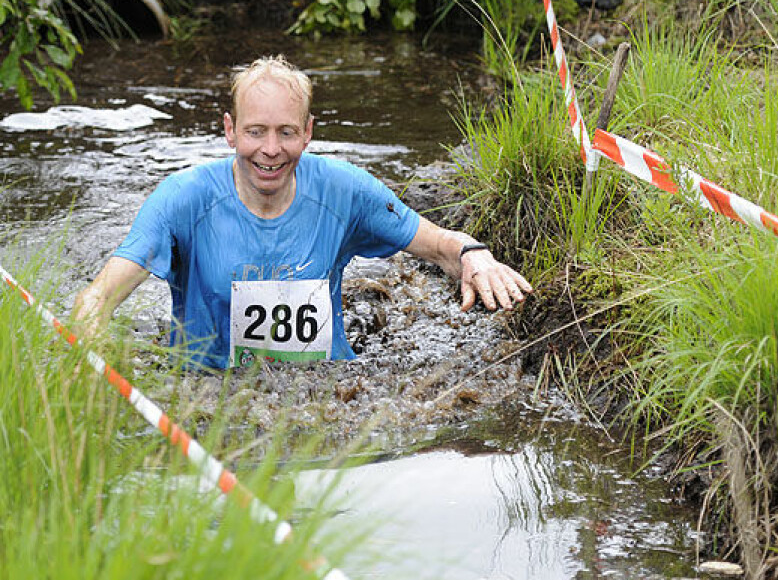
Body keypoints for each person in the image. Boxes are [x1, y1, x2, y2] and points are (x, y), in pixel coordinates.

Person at [73, 55, 532, 370]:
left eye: (286, 133)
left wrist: (475, 256)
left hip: (324, 388)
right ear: (230, 131)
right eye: (256, 132)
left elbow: (439, 245)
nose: (270, 151)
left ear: (308, 132)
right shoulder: (182, 199)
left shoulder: (342, 189)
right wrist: (86, 348)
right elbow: (97, 299)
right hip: (207, 391)